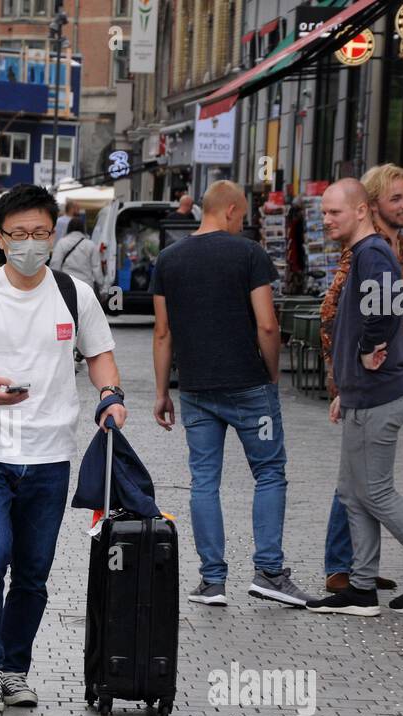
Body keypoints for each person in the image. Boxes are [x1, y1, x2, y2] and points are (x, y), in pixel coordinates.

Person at [0, 184, 122, 713]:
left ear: (54, 234)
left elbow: (100, 354)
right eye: (20, 235)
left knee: (34, 570)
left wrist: (110, 395)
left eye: (41, 233)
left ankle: (15, 669)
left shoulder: (74, 294)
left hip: (50, 453)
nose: (31, 244)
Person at [151, 180, 311, 608]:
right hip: (250, 388)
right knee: (269, 473)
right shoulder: (250, 254)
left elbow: (162, 332)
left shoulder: (168, 259)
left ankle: (212, 581)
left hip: (198, 391)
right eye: (242, 215)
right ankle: (269, 573)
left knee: (204, 482)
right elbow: (268, 325)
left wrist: (161, 391)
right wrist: (273, 374)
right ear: (233, 210)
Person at [305, 179, 403, 616]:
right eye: (324, 214)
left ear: (359, 211)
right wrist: (347, 385)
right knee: (353, 493)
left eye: (334, 212)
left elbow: (388, 307)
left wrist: (369, 350)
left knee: (374, 492)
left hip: (379, 395)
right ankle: (361, 587)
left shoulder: (373, 252)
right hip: (362, 394)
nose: (327, 220)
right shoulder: (363, 253)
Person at [50, 214, 96, 285]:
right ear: (83, 228)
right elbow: (96, 268)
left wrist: (53, 283)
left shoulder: (62, 242)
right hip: (86, 284)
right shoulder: (90, 244)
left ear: (69, 227)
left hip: (67, 283)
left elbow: (55, 264)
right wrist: (103, 287)